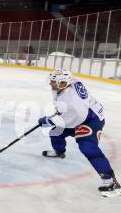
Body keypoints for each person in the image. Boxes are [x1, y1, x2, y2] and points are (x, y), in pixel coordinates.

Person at [38, 69, 120, 197]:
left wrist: (50, 120)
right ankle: (59, 152)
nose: (50, 84)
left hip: (90, 120)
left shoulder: (72, 103)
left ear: (63, 83)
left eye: (53, 82)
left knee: (87, 147)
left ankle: (111, 182)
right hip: (82, 112)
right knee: (56, 132)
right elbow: (67, 112)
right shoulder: (69, 84)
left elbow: (72, 119)